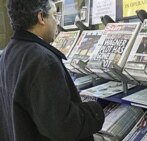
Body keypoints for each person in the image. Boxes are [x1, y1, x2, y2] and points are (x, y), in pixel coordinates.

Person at [0, 0, 104, 141]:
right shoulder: (42, 60)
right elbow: (62, 126)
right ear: (41, 17)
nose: (57, 22)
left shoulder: (8, 53)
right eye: (54, 15)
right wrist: (95, 111)